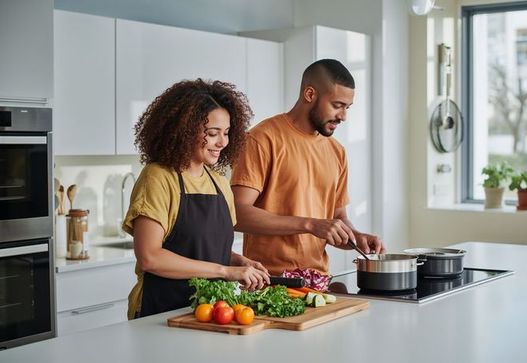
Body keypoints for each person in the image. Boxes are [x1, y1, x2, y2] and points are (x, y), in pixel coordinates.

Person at [123, 79, 270, 319]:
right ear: (184, 130)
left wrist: (240, 262)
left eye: (226, 133)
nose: (222, 142)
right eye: (212, 134)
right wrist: (224, 271)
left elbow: (206, 249)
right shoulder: (158, 177)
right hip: (161, 313)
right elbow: (150, 257)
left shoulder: (219, 182)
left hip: (207, 311)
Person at [230, 59, 385, 276]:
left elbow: (337, 216)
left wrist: (355, 237)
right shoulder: (263, 139)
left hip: (319, 281)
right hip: (268, 282)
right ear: (310, 95)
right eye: (337, 105)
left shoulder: (336, 151)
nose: (343, 116)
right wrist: (310, 224)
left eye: (347, 108)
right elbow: (236, 213)